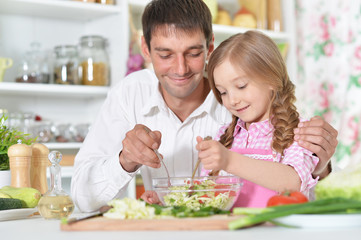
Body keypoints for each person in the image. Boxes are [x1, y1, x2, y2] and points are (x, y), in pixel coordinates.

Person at [71, 0, 338, 212]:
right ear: (145, 49)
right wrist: (167, 200)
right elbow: (212, 193)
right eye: (165, 54)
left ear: (210, 47)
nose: (180, 68)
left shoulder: (258, 118)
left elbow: (297, 181)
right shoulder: (232, 128)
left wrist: (321, 165)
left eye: (194, 53)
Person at [197, 31, 318, 207]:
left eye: (241, 86)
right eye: (223, 92)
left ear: (271, 79)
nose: (232, 100)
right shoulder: (224, 135)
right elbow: (205, 195)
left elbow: (294, 182)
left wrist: (229, 160)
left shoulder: (299, 131)